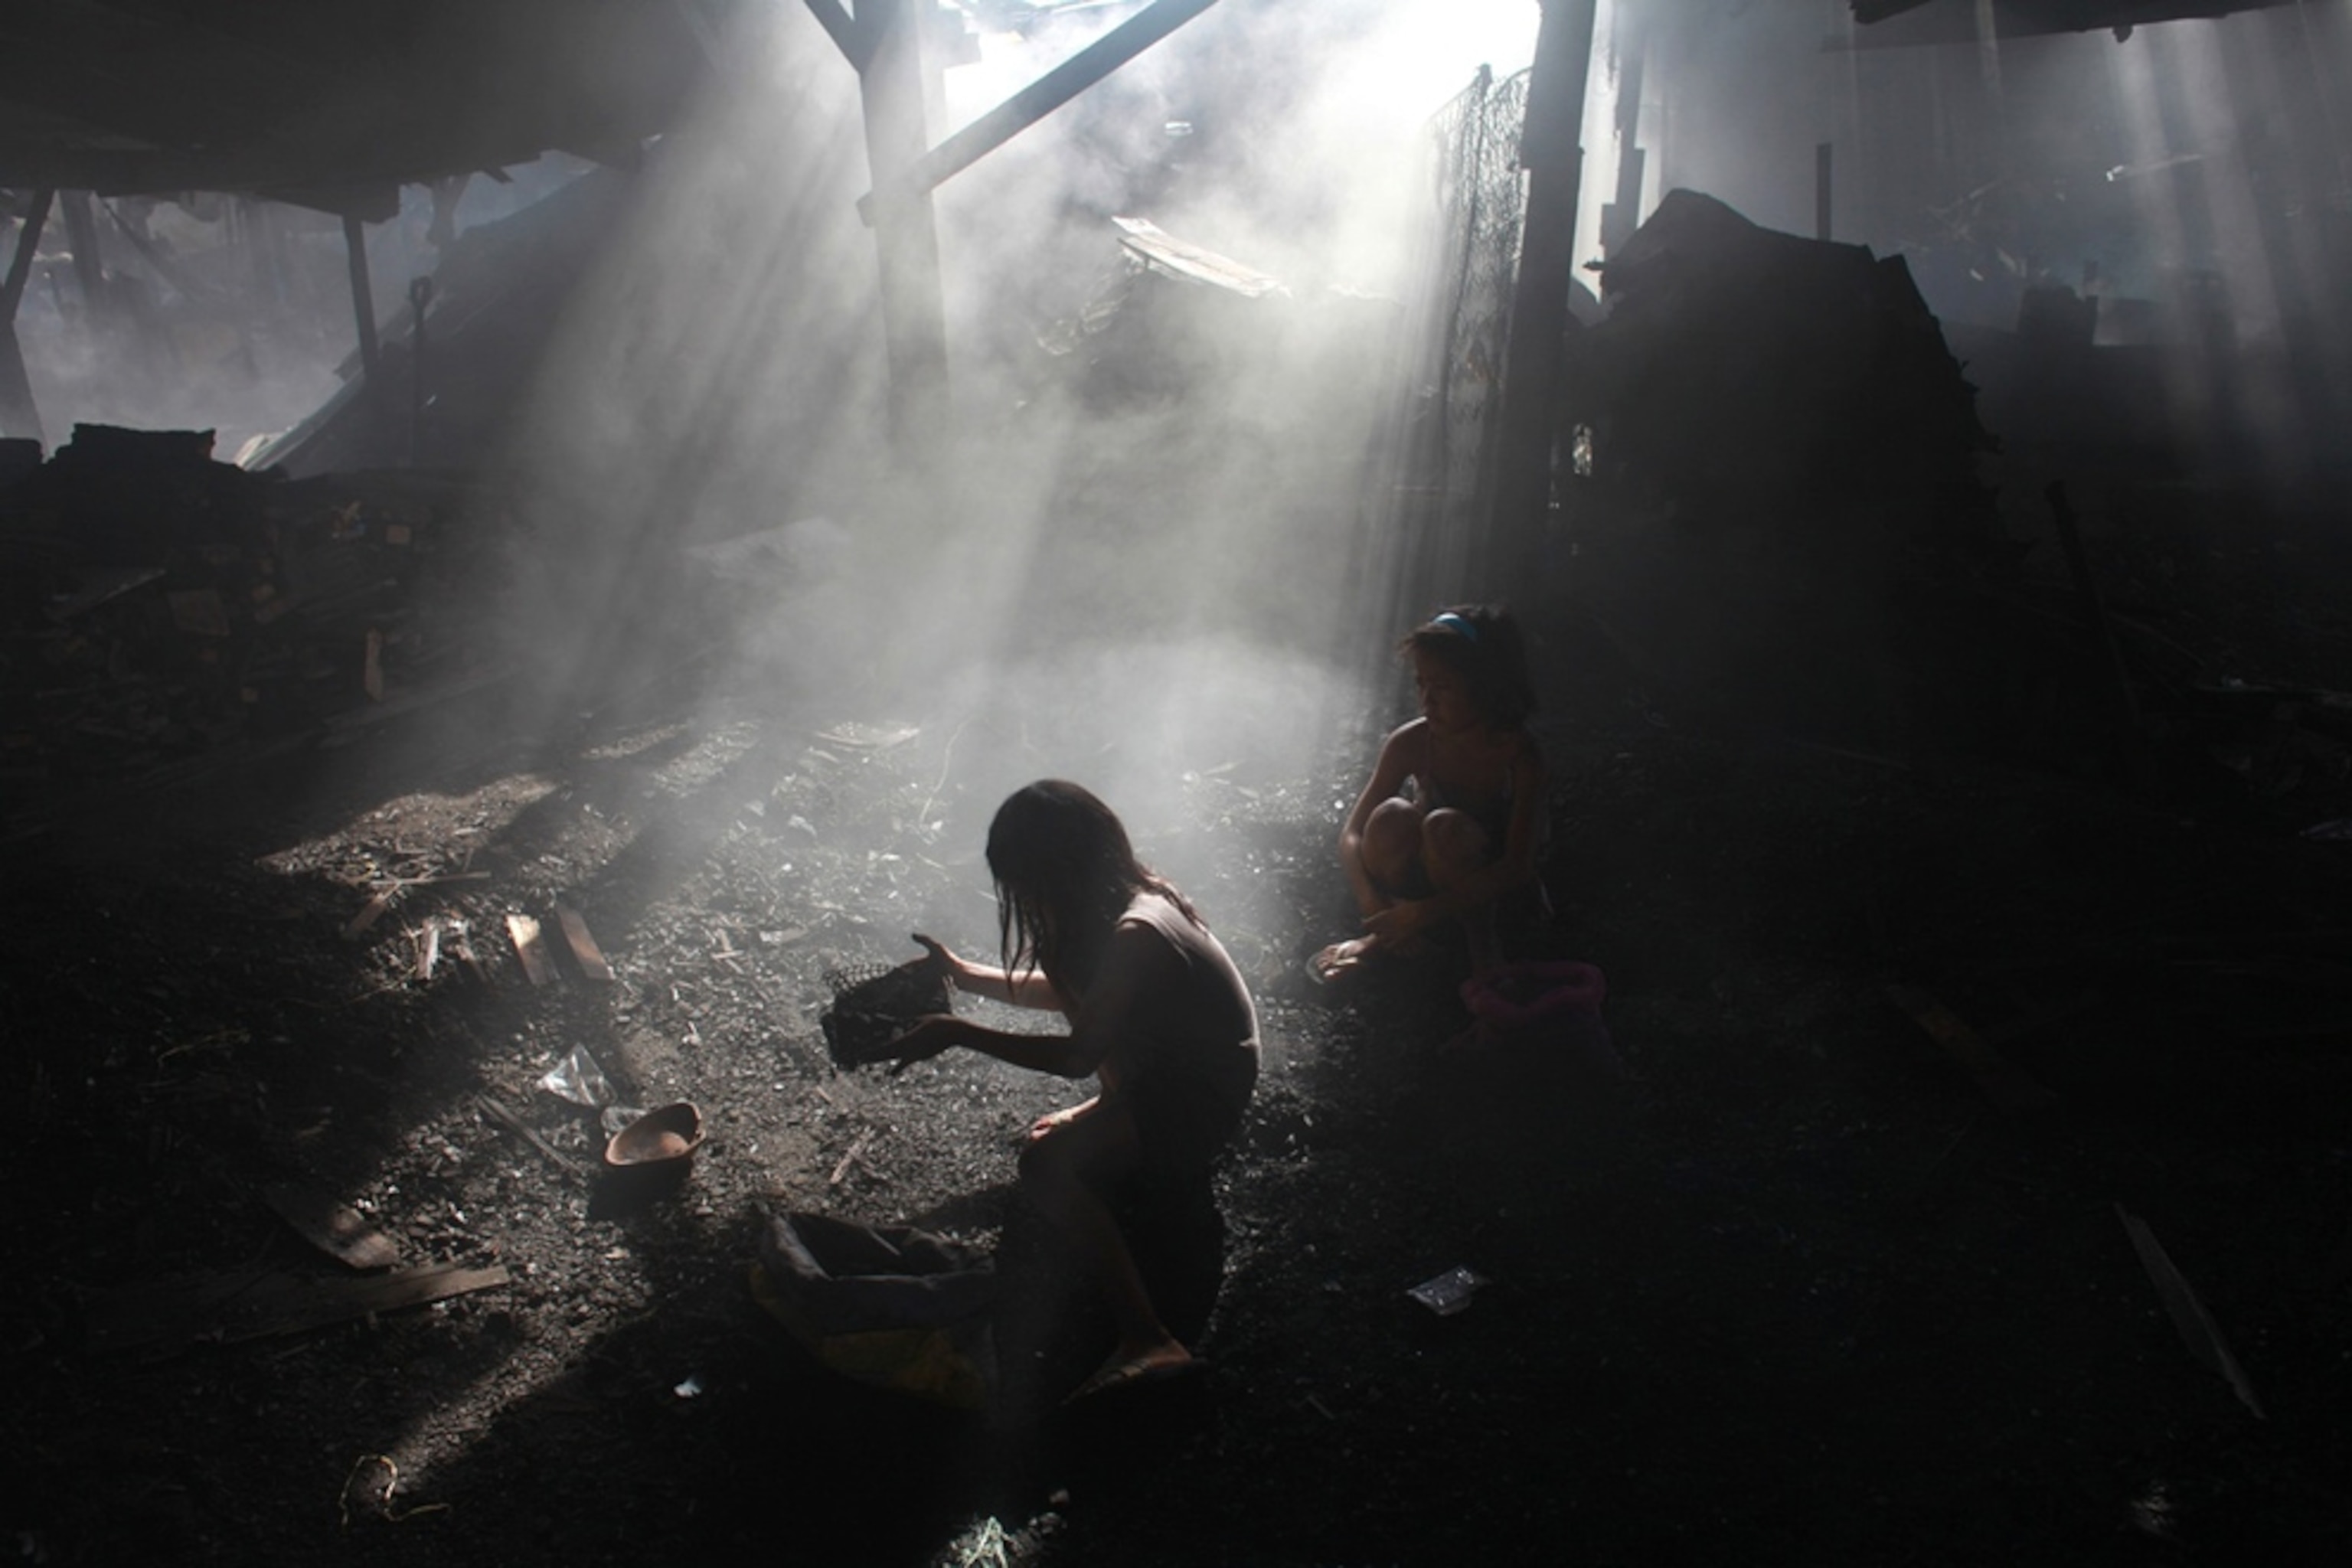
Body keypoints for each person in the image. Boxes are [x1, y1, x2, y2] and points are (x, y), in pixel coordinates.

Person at [890, 780, 1259, 1403]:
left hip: (1199, 1102)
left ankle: (1149, 1337)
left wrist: (958, 1033)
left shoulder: (1139, 931)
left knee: (1046, 1166)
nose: (1024, 902)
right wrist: (962, 975)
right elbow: (1068, 996)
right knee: (1058, 1139)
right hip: (1159, 1080)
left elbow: (1077, 1053)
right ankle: (1112, 1121)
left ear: (1060, 873)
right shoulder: (1111, 915)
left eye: (1027, 886)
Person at [1312, 603, 1547, 984]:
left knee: (1444, 827)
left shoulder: (1519, 756)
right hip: (1419, 891)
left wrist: (1422, 913)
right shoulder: (1412, 741)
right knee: (1389, 816)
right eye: (1421, 684)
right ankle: (1391, 936)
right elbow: (1353, 834)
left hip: (1493, 898)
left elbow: (1517, 866)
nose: (1427, 700)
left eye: (1442, 688)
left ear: (1486, 689)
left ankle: (1483, 956)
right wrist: (1375, 906)